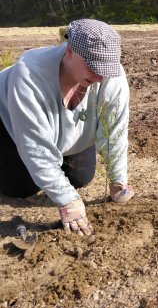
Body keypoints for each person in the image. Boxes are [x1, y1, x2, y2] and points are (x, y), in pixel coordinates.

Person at [0, 19, 134, 236]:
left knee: (80, 178)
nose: (100, 77)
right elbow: (35, 147)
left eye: (106, 69)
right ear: (69, 50)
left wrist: (119, 181)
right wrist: (68, 201)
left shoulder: (109, 74)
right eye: (93, 66)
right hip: (9, 124)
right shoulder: (29, 75)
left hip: (62, 130)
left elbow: (115, 130)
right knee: (21, 188)